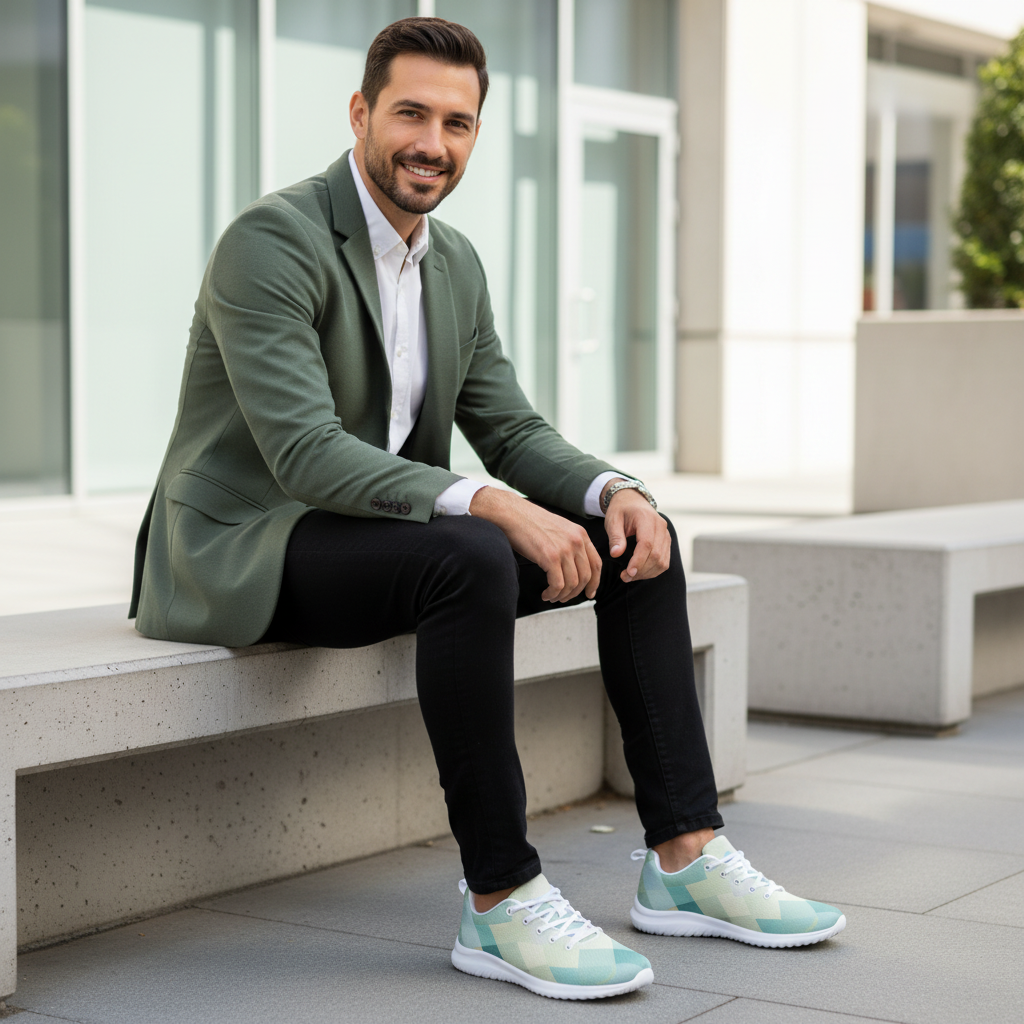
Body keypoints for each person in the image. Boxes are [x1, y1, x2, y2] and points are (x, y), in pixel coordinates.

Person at [130, 16, 846, 1002]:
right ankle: (501, 897)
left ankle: (685, 856)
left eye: (457, 123)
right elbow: (302, 453)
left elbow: (507, 423)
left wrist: (613, 489)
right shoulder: (271, 240)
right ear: (361, 113)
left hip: (377, 532)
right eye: (411, 114)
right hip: (248, 542)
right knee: (465, 553)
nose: (432, 143)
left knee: (638, 539)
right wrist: (491, 505)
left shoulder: (452, 261)